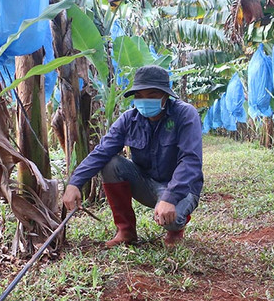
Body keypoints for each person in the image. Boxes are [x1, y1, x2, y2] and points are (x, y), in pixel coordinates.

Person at [62, 65, 203, 248]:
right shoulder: (129, 119)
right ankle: (126, 231)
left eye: (152, 95)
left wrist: (170, 197)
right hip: (146, 182)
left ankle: (176, 229)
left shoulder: (185, 114)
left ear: (165, 96)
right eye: (139, 96)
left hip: (180, 187)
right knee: (111, 163)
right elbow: (101, 151)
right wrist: (75, 183)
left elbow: (190, 161)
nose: (145, 101)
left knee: (172, 219)